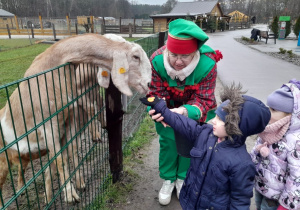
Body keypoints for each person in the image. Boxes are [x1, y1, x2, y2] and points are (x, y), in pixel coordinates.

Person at [140, 83, 271, 209]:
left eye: (220, 119)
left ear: (236, 126)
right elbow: (183, 123)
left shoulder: (242, 164)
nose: (213, 120)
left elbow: (240, 200)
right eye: (216, 116)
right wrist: (162, 108)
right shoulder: (206, 133)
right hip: (189, 201)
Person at [146, 18, 223, 205]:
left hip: (195, 108)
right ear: (167, 50)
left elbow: (204, 99)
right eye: (173, 55)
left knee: (193, 141)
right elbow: (155, 93)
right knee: (168, 140)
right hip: (168, 106)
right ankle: (168, 179)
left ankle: (183, 178)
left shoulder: (208, 64)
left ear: (195, 53)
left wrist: (185, 111)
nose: (178, 62)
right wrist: (159, 110)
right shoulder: (156, 61)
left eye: (185, 56)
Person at [250, 79, 300, 210]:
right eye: (268, 108)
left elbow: (297, 177)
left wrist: (287, 205)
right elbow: (255, 152)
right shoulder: (267, 129)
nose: (268, 113)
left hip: (276, 197)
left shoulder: (294, 141)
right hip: (261, 186)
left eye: (273, 110)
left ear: (290, 115)